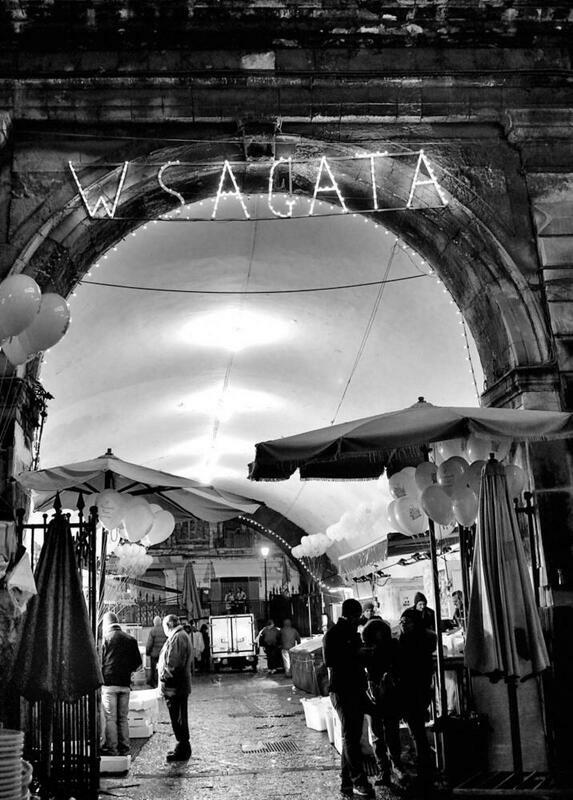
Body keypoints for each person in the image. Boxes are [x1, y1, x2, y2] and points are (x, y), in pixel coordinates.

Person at [323, 598, 374, 799]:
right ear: (351, 615)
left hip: (354, 689)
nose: (359, 619)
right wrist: (356, 653)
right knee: (351, 738)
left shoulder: (351, 633)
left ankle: (347, 783)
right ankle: (358, 780)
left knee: (351, 737)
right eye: (357, 616)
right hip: (343, 691)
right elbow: (330, 661)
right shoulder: (334, 634)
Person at [396, 607, 437, 794]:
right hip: (419, 691)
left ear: (415, 624)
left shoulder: (412, 642)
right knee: (417, 731)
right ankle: (425, 768)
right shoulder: (423, 640)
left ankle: (425, 772)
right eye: (402, 622)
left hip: (413, 692)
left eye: (407, 622)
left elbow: (406, 669)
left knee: (417, 732)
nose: (403, 625)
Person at [361, 617, 405, 787]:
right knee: (385, 733)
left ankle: (388, 769)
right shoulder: (389, 647)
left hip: (380, 696)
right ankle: (392, 768)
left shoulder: (378, 649)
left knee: (380, 734)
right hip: (382, 696)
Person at [100, 611, 142, 757]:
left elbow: (99, 662)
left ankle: (112, 749)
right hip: (125, 684)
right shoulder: (131, 639)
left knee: (110, 718)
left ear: (106, 624)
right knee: (123, 718)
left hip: (109, 685)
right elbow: (138, 664)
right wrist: (127, 671)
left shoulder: (105, 639)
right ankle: (125, 748)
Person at [158, 614, 194, 762]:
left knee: (178, 718)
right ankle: (182, 747)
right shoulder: (179, 636)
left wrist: (163, 677)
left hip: (175, 688)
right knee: (179, 718)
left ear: (168, 625)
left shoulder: (178, 637)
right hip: (177, 687)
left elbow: (174, 664)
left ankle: (183, 748)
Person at [145, 615, 167, 688]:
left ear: (154, 623)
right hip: (163, 654)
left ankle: (153, 683)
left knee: (153, 669)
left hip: (154, 654)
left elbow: (149, 643)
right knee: (163, 668)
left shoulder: (153, 631)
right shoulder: (165, 630)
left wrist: (147, 652)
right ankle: (162, 682)